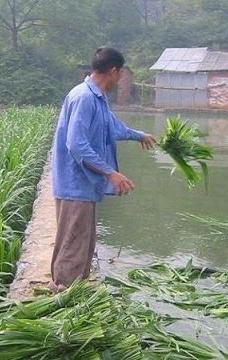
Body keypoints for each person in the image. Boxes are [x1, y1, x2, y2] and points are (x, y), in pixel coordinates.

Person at [50, 47, 156, 292]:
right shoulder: (84, 98)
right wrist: (111, 173)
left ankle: (75, 289)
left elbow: (112, 126)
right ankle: (63, 294)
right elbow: (76, 144)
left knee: (83, 241)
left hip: (86, 185)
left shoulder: (97, 97)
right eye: (120, 74)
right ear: (113, 71)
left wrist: (138, 135)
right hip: (75, 184)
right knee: (73, 241)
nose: (119, 80)